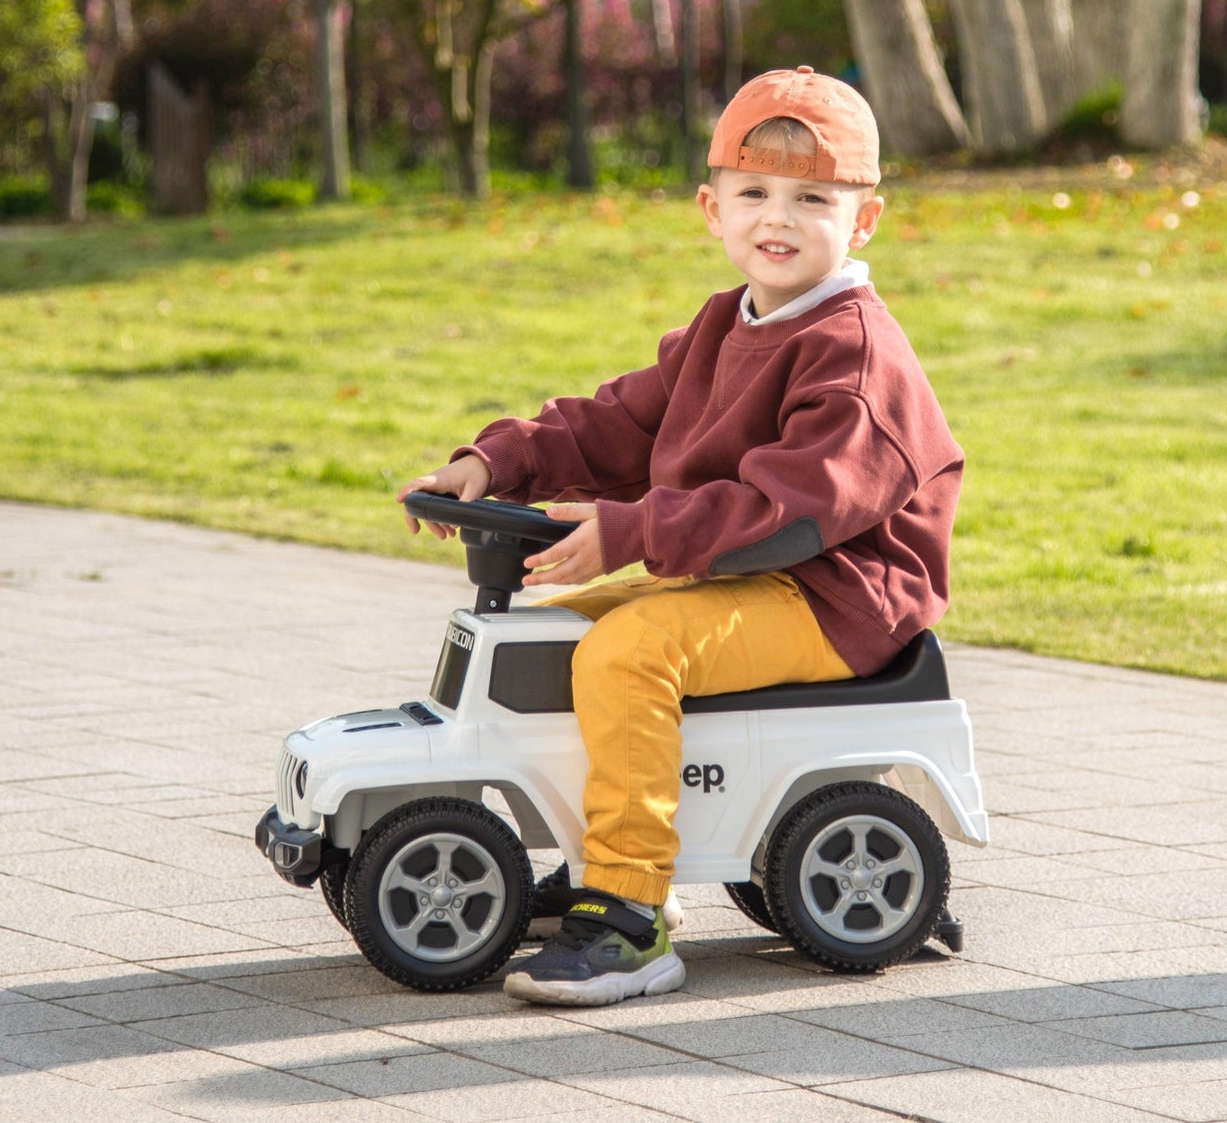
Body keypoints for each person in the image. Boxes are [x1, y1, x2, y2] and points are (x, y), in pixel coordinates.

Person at [398, 66, 964, 1007]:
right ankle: (596, 852)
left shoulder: (854, 352)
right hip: (748, 570)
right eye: (753, 193)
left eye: (811, 198)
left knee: (630, 650)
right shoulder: (722, 324)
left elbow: (791, 510)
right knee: (556, 630)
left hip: (834, 591)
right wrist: (495, 464)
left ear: (862, 220)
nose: (776, 218)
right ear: (712, 207)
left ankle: (628, 915)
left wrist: (634, 530)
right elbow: (614, 425)